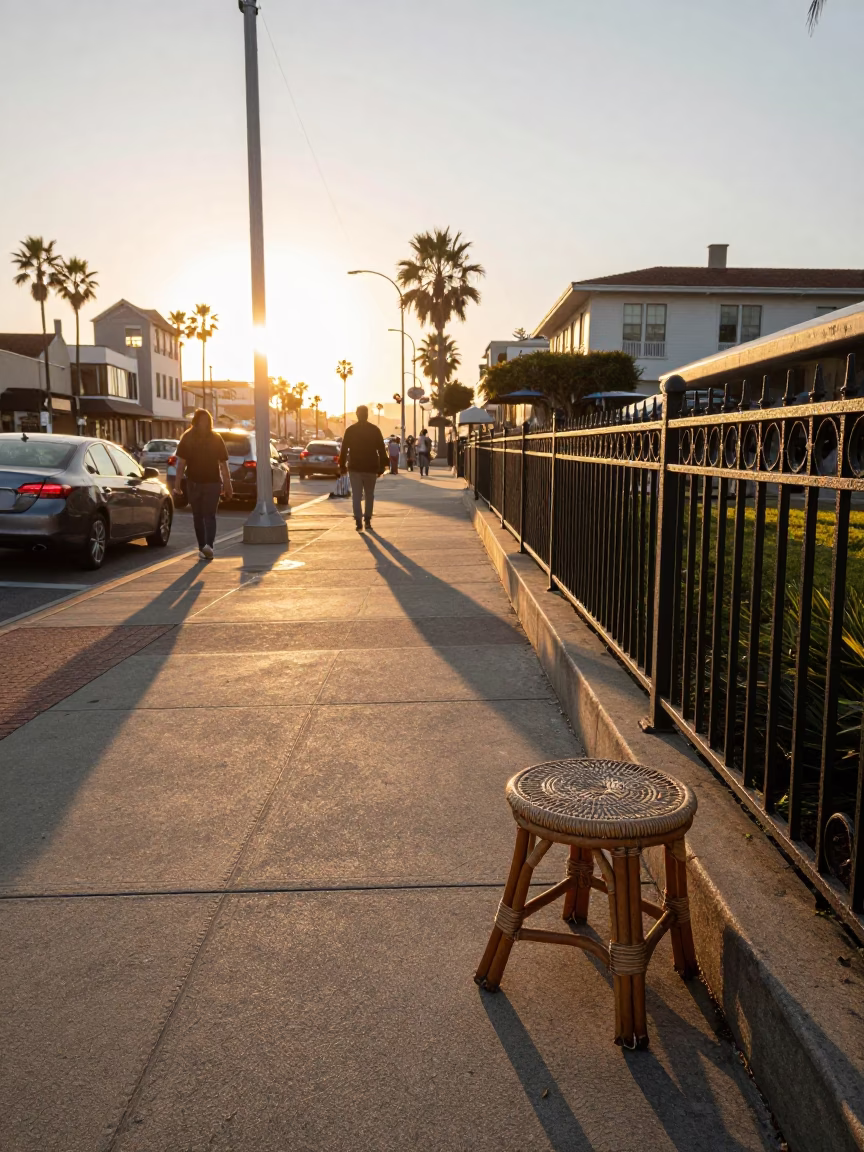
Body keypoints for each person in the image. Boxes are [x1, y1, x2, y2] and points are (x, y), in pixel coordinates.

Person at [172, 408, 233, 559]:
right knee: (203, 516)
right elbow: (181, 464)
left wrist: (227, 484)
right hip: (199, 483)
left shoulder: (192, 437)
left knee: (203, 516)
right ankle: (205, 547)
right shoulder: (208, 438)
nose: (204, 424)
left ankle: (206, 547)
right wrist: (177, 485)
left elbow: (223, 465)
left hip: (207, 483)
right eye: (203, 421)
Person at [338, 404, 388, 531]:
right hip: (371, 467)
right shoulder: (374, 430)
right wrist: (382, 466)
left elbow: (344, 449)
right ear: (367, 415)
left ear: (357, 414)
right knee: (369, 495)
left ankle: (358, 520)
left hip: (355, 467)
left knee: (356, 495)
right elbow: (381, 449)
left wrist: (342, 465)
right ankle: (367, 520)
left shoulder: (350, 431)